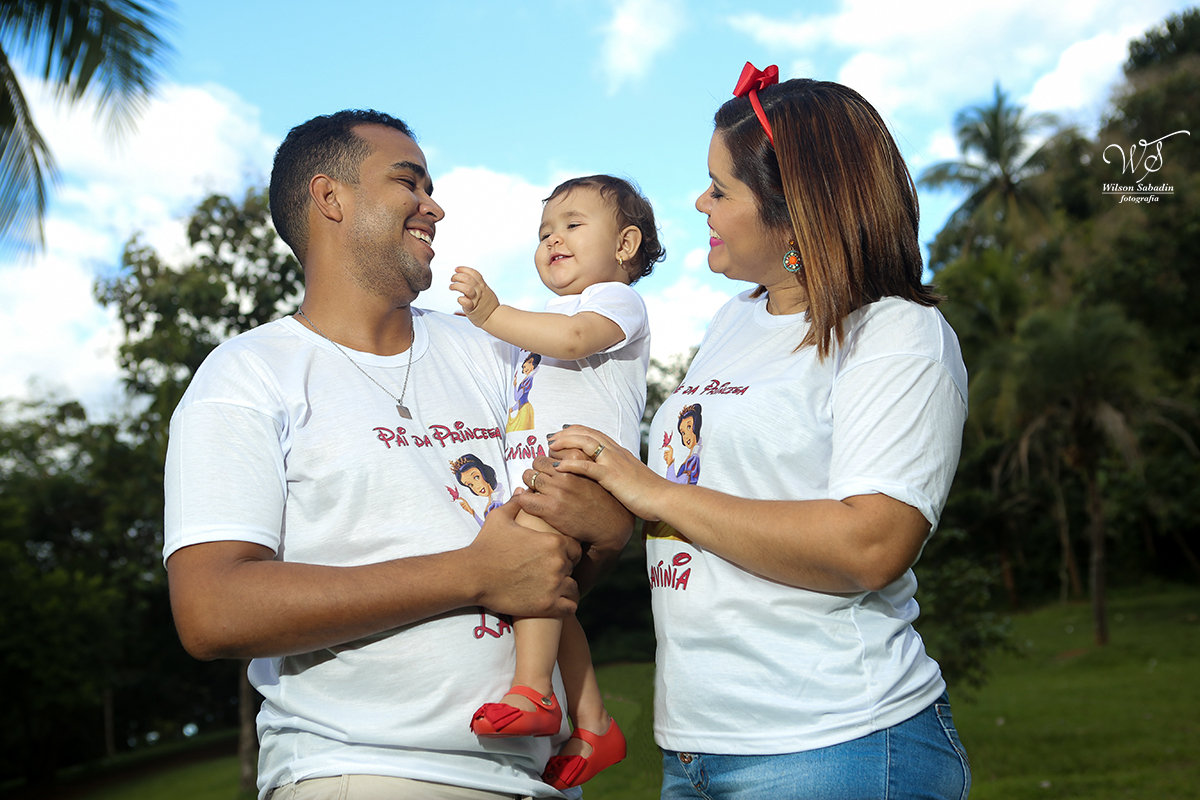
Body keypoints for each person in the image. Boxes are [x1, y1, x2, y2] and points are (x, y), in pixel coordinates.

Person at [163, 109, 633, 800]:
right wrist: (470, 574)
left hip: (540, 777)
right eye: (409, 183)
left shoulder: (496, 351)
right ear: (331, 198)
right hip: (365, 772)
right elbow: (212, 610)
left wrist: (607, 531)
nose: (434, 206)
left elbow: (546, 572)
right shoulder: (247, 376)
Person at [545, 65, 972, 799]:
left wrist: (650, 492)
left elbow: (870, 546)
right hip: (696, 748)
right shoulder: (733, 320)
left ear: (794, 210)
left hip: (835, 743)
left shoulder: (898, 333)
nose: (700, 201)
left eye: (721, 188)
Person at [450, 175, 664, 790]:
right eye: (545, 231)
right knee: (547, 590)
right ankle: (594, 721)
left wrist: (491, 314)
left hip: (586, 468)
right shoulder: (544, 316)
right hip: (547, 475)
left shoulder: (615, 301)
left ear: (625, 244)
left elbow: (574, 340)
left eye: (573, 224)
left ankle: (534, 691)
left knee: (533, 566)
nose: (553, 239)